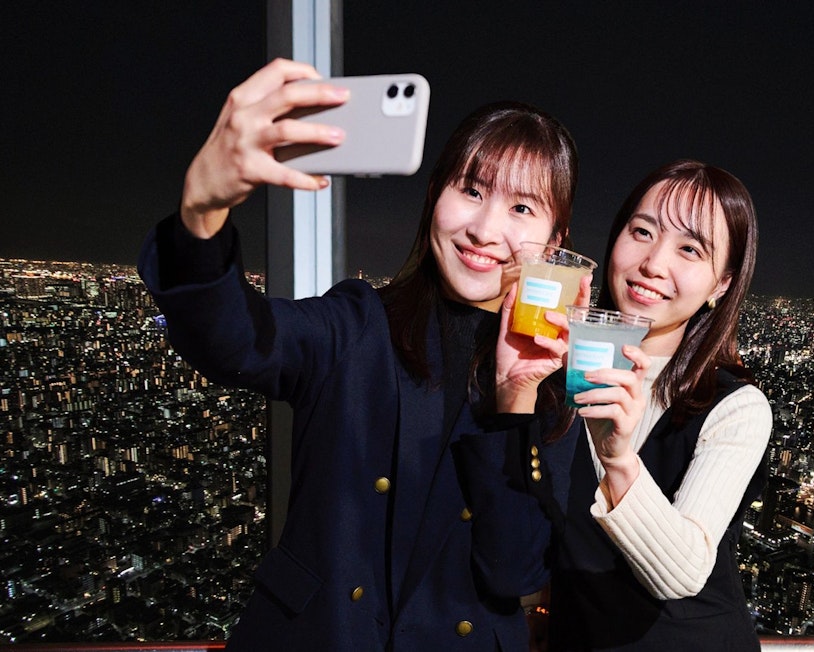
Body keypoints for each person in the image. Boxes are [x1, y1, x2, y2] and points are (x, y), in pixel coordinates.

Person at [136, 58, 580, 650]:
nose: (484, 227)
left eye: (521, 208)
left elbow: (515, 572)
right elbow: (234, 341)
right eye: (470, 190)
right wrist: (201, 213)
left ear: (554, 243)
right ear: (434, 196)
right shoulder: (358, 323)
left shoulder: (554, 389)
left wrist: (516, 397)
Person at [481, 159, 771, 650]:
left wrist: (618, 459)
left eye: (690, 249)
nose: (654, 264)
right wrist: (515, 392)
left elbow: (682, 573)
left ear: (721, 285)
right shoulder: (547, 374)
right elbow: (505, 541)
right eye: (642, 231)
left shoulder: (736, 407)